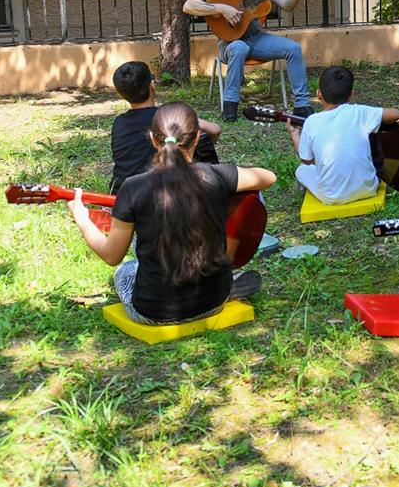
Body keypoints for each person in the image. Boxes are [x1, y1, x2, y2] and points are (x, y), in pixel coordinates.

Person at [66, 102, 277, 325]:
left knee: (126, 269)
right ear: (197, 138)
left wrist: (83, 219)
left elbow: (111, 255)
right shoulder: (216, 175)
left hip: (154, 312)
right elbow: (268, 177)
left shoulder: (133, 187)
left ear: (152, 139)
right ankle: (226, 280)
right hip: (215, 302)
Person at [181, 0, 315, 122]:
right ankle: (230, 106)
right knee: (239, 47)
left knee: (293, 48)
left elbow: (287, 4)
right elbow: (188, 6)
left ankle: (302, 106)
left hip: (257, 38)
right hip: (230, 43)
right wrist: (222, 8)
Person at [286, 65, 399, 205]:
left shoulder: (312, 122)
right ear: (351, 94)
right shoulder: (360, 112)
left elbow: (306, 160)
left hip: (332, 197)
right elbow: (396, 114)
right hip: (369, 188)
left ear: (318, 94)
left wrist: (294, 133)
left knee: (302, 170)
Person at [108, 60, 222, 194]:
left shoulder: (119, 123)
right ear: (152, 85)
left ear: (121, 94)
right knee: (200, 138)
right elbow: (215, 129)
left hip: (122, 192)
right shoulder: (168, 116)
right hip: (162, 193)